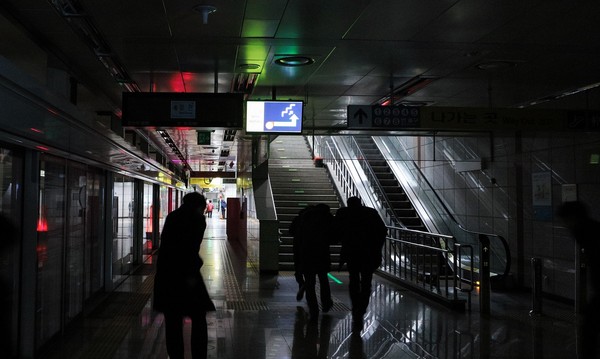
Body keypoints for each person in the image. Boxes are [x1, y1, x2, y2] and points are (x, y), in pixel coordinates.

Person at [153, 192, 215, 359]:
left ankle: (176, 356)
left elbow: (168, 245)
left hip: (167, 275)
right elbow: (190, 248)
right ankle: (199, 355)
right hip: (187, 276)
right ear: (199, 207)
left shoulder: (172, 217)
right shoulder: (197, 220)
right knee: (199, 318)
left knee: (173, 320)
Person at [334, 196, 387, 332]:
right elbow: (382, 231)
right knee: (366, 280)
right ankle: (362, 307)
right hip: (369, 253)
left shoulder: (344, 213)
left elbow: (337, 232)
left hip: (352, 252)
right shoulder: (371, 213)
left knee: (354, 279)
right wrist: (377, 247)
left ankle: (356, 305)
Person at [557, 201, 600, 359]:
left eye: (566, 221)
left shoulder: (588, 233)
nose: (565, 226)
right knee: (589, 328)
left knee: (589, 329)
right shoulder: (588, 231)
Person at [293, 204, 335, 319]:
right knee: (323, 279)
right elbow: (334, 236)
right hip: (322, 254)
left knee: (310, 282)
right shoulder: (327, 218)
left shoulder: (303, 218)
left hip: (306, 254)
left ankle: (313, 309)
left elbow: (294, 233)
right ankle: (326, 303)